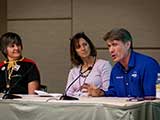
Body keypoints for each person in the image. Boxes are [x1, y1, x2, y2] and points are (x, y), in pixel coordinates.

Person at [82, 28, 160, 99]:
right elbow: (113, 95)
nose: (111, 50)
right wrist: (100, 93)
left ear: (127, 45)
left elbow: (152, 100)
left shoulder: (148, 65)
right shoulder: (115, 69)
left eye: (114, 44)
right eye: (109, 46)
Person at [65, 32, 112, 97]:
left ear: (89, 45)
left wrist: (98, 92)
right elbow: (67, 94)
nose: (83, 49)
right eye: (78, 47)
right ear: (75, 52)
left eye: (85, 44)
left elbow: (108, 91)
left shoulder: (103, 65)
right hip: (75, 105)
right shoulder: (73, 71)